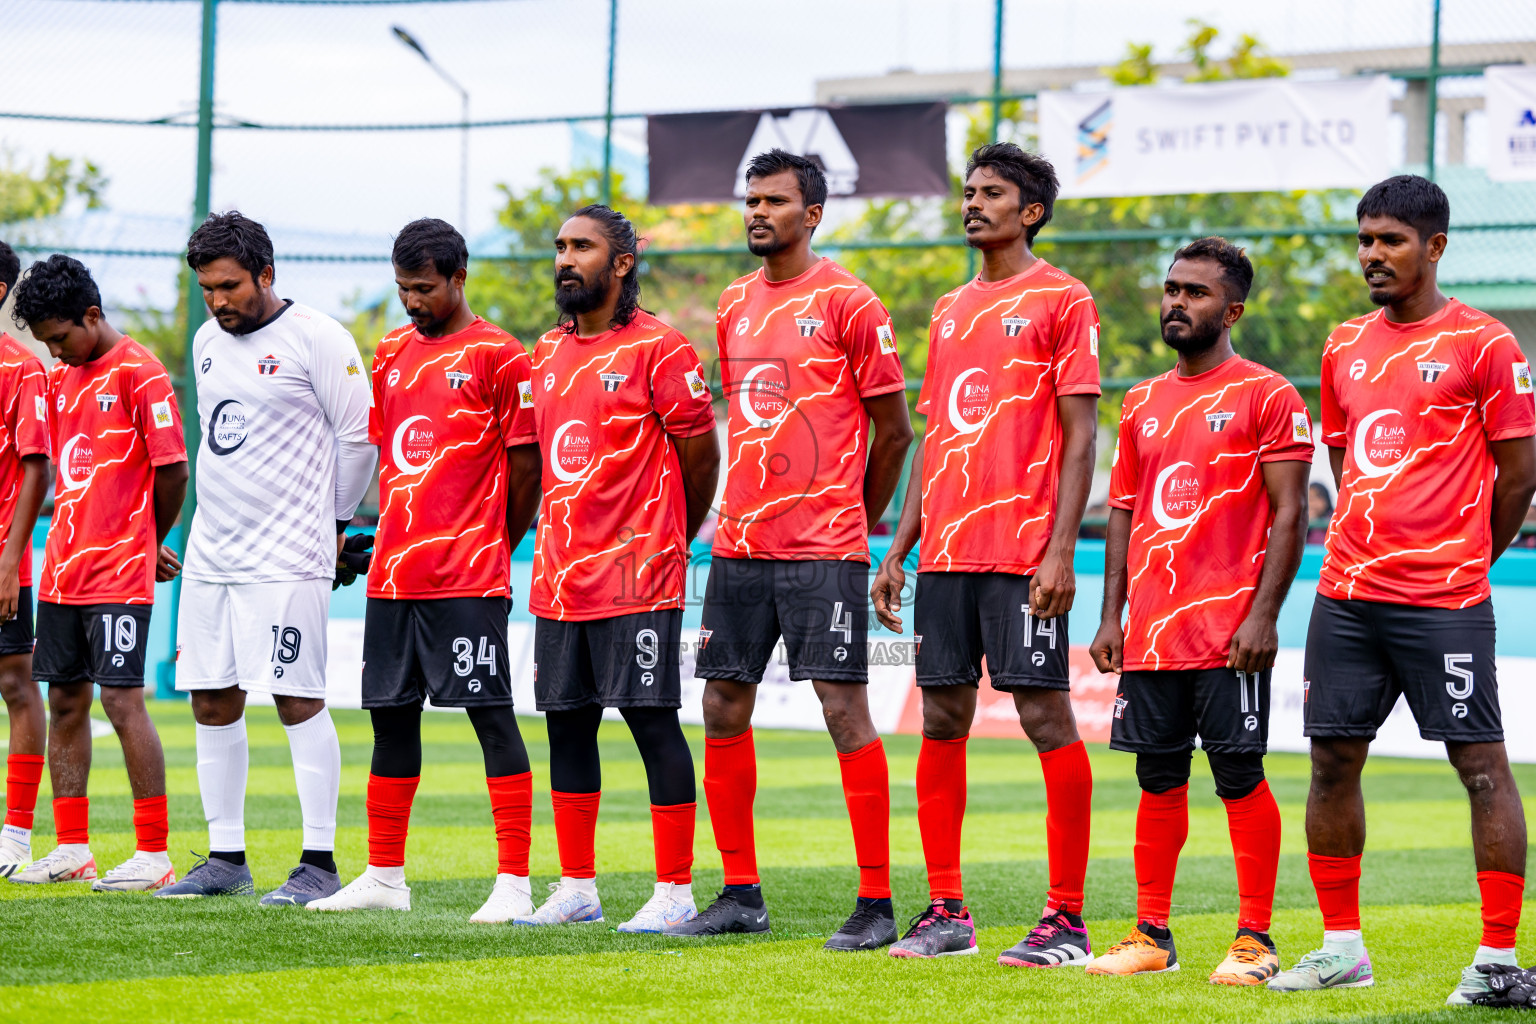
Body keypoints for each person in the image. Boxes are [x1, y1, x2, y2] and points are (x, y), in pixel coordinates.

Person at [1267, 175, 1536, 1003]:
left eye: (1390, 240)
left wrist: (1464, 557)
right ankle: (1342, 947)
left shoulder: (1486, 342)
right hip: (1347, 595)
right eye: (1365, 240)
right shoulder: (1344, 343)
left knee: (1482, 768)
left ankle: (1495, 963)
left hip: (1446, 599)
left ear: (1435, 247)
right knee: (1330, 762)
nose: (1372, 255)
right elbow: (1348, 464)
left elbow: (1521, 472)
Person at [677, 150, 913, 949]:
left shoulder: (850, 301)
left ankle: (876, 904)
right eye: (750, 199)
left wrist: (854, 523)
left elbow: (895, 432)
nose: (757, 212)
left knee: (844, 709)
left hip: (826, 551)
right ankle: (740, 893)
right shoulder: (734, 302)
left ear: (812, 214)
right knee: (719, 705)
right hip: (739, 547)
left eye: (774, 200)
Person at [871, 143, 1099, 963]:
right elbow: (938, 436)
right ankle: (945, 912)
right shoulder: (947, 308)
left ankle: (1066, 920)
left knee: (1044, 715)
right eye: (969, 192)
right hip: (948, 556)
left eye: (992, 193)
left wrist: (1062, 549)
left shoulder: (1064, 299)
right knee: (941, 715)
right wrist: (899, 545)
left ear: (1030, 211)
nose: (973, 204)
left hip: (1022, 551)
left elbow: (1081, 438)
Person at [1086, 238, 1311, 983]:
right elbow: (1122, 512)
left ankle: (1255, 939)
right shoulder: (1143, 401)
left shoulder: (1269, 395)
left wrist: (1264, 615)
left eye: (1196, 292)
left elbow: (1290, 516)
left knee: (1238, 774)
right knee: (1157, 776)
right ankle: (1151, 934)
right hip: (1153, 626)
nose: (1176, 302)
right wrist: (1111, 615)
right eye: (1171, 289)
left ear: (1233, 309)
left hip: (1229, 632)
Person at [308, 219, 540, 921]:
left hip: (468, 575)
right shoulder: (391, 352)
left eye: (424, 288)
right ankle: (384, 875)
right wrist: (371, 536)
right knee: (389, 718)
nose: (412, 301)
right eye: (404, 288)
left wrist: (493, 543)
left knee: (491, 717)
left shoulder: (501, 355)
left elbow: (526, 467)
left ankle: (514, 883)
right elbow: (392, 458)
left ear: (458, 277)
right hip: (393, 577)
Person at [511, 205, 718, 933]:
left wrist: (670, 537)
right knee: (566, 727)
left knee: (651, 723)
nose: (567, 259)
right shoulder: (543, 352)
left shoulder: (662, 349)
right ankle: (577, 887)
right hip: (560, 577)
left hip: (638, 576)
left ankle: (675, 891)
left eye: (583, 247)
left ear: (622, 262)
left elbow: (701, 458)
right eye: (561, 246)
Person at [159, 213, 376, 903]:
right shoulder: (203, 341)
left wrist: (336, 526)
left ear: (267, 274)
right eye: (207, 290)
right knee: (211, 699)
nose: (218, 302)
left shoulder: (318, 337)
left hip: (290, 553)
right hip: (214, 553)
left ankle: (318, 863)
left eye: (229, 286)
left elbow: (359, 440)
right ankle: (226, 856)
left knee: (297, 697)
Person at [8, 254, 188, 890]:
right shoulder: (61, 381)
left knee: (121, 700)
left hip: (118, 576)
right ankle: (72, 847)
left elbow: (174, 473)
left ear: (92, 315)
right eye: (46, 343)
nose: (56, 352)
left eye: (60, 338)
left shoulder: (142, 374)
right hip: (61, 571)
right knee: (64, 700)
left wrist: (148, 539)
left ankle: (154, 853)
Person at [0, 241, 50, 878]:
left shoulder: (20, 368)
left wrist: (11, 561)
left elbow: (36, 465)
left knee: (17, 683)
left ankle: (14, 836)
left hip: (2, 555)